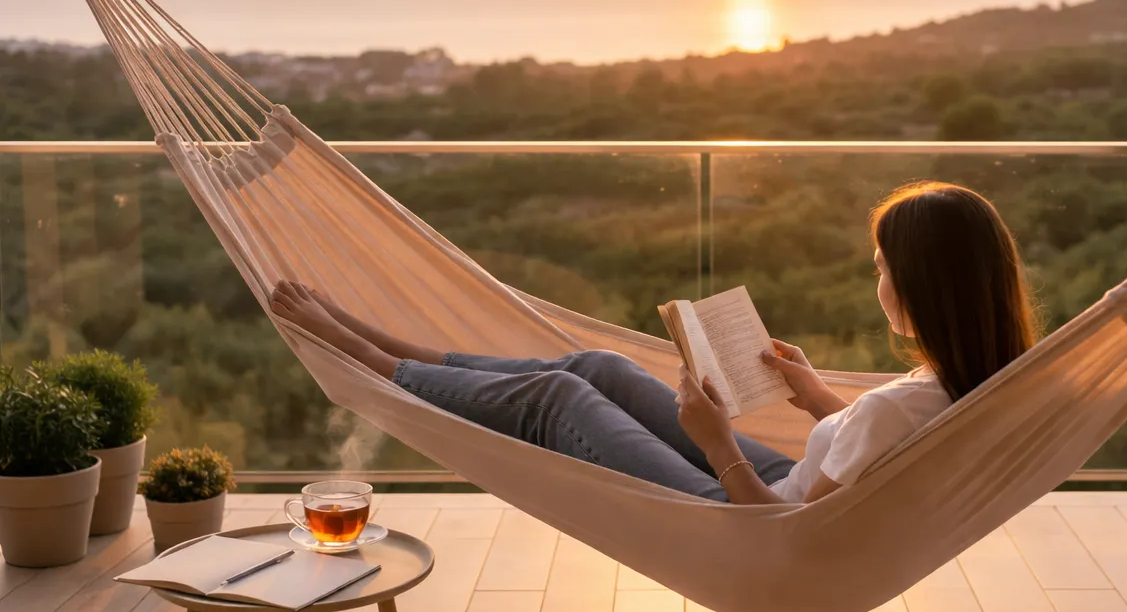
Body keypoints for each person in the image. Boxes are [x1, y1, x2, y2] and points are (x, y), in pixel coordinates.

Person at [270, 180, 1039, 504]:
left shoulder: (900, 409)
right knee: (600, 364)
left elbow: (788, 533)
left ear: (917, 284)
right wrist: (813, 399)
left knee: (558, 394)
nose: (876, 281)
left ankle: (379, 363)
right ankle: (396, 350)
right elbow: (869, 464)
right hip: (782, 481)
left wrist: (716, 440)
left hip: (746, 512)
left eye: (881, 267)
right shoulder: (974, 384)